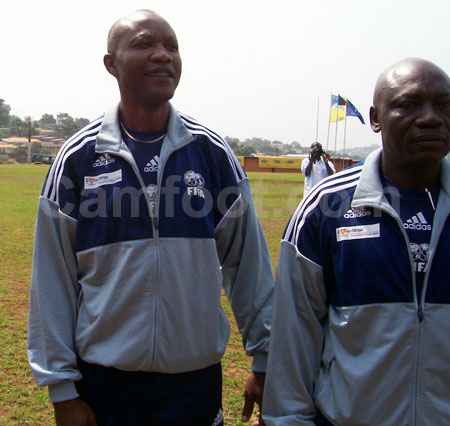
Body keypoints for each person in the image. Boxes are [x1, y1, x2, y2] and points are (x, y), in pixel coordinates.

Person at [28, 10, 273, 426]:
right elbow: (52, 280)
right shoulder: (78, 158)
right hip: (104, 383)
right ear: (111, 64)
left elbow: (249, 265)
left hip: (193, 384)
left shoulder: (211, 153)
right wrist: (62, 390)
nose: (163, 55)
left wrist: (265, 359)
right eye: (144, 44)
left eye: (172, 47)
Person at [262, 57, 450, 425]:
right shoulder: (323, 209)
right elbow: (294, 337)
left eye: (444, 105)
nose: (431, 118)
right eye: (410, 105)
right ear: (376, 118)